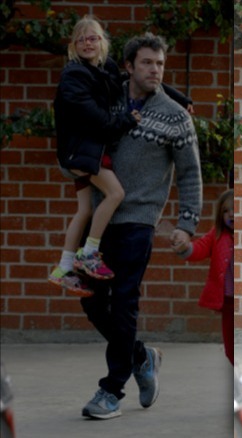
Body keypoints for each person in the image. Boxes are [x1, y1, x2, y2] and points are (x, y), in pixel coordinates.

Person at [79, 32, 203, 420]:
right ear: (129, 65)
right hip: (98, 218)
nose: (155, 70)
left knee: (124, 302)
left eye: (160, 64)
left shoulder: (176, 116)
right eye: (147, 63)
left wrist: (187, 223)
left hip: (139, 219)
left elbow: (190, 175)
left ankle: (111, 390)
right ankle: (140, 356)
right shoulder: (105, 99)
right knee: (90, 299)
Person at [49, 16, 139, 295]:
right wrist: (127, 120)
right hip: (83, 154)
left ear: (103, 42)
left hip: (85, 152)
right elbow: (99, 121)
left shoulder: (104, 69)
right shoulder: (74, 75)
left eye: (93, 38)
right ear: (74, 46)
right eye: (81, 39)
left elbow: (137, 79)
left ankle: (63, 268)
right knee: (115, 194)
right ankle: (88, 252)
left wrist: (183, 100)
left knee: (85, 209)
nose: (87, 43)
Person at [173, 189, 234, 364]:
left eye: (235, 209)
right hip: (228, 300)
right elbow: (199, 248)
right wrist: (185, 248)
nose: (231, 214)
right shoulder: (217, 235)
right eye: (225, 211)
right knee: (230, 349)